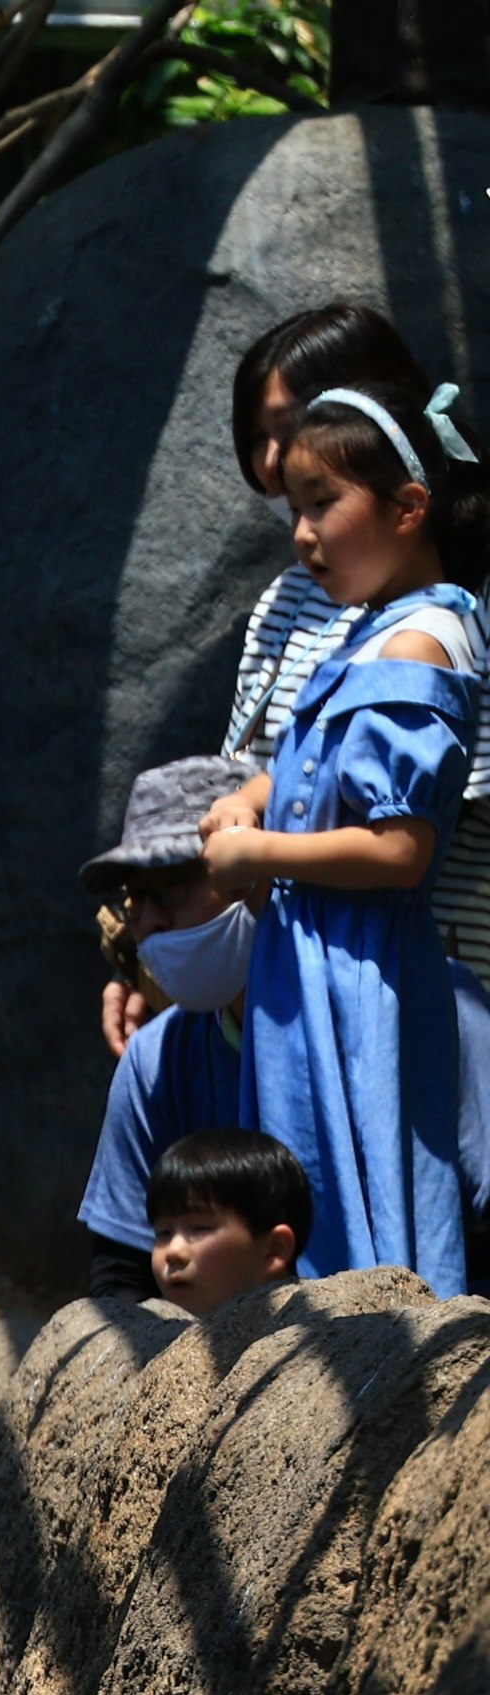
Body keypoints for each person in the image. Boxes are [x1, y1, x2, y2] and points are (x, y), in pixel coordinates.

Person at [200, 379, 485, 1293]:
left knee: (364, 1205)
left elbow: (402, 850)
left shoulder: (423, 642)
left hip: (360, 976)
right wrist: (250, 799)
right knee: (309, 1179)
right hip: (310, 965)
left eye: (323, 502)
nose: (302, 532)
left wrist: (261, 855)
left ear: (409, 507)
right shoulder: (372, 631)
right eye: (295, 508)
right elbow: (314, 769)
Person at [78, 756, 490, 1295]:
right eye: (135, 901)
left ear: (257, 871)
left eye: (173, 886)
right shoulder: (156, 1061)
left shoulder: (430, 1004)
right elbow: (122, 1277)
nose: (149, 922)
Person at [207, 308, 490, 979]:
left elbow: (406, 834)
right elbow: (258, 776)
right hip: (294, 964)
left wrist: (269, 852)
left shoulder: (443, 619)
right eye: (260, 436)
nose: (276, 458)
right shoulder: (290, 599)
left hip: (426, 966)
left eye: (296, 425)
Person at [147, 1128, 310, 1316]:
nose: (174, 1251)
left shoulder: (318, 1337)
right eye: (163, 1233)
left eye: (200, 1228)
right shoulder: (148, 1338)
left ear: (275, 1249)